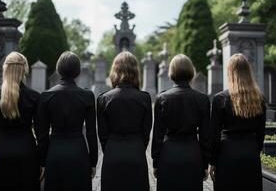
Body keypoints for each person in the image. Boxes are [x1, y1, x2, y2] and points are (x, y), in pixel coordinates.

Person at [35, 51, 98, 191]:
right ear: (78, 71)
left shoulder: (46, 97)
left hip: (54, 153)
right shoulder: (87, 96)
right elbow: (91, 132)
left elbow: (42, 135)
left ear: (58, 69)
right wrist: (93, 161)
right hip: (79, 152)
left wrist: (42, 161)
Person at [151, 54, 211, 191]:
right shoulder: (202, 99)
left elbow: (157, 134)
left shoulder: (162, 98)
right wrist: (205, 163)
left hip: (168, 155)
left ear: (172, 72)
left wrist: (155, 162)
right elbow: (205, 135)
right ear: (191, 72)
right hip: (193, 154)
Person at [210, 53, 266, 191]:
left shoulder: (220, 99)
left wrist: (212, 161)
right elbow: (261, 132)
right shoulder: (259, 98)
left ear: (229, 72)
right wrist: (253, 149)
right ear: (248, 71)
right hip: (251, 152)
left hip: (227, 154)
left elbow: (214, 134)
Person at [97, 51, 152, 191]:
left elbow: (102, 134)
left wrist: (110, 148)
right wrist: (138, 147)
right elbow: (146, 132)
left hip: (112, 154)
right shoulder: (144, 98)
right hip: (136, 153)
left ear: (114, 71)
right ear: (135, 71)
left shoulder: (104, 99)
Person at [0, 52, 40, 191]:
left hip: (3, 150)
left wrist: (0, 149)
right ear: (24, 70)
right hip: (27, 152)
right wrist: (42, 160)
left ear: (5, 69)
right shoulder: (34, 97)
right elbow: (41, 133)